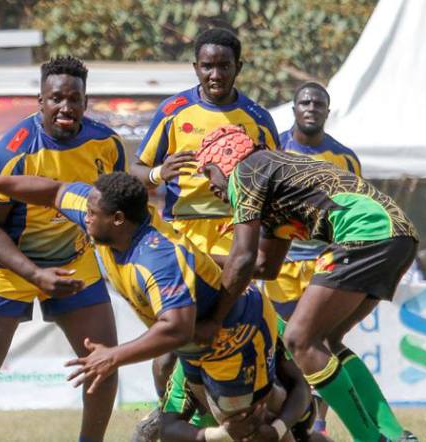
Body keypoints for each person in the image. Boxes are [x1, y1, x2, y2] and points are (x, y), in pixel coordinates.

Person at [0, 172, 293, 442]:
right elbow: (52, 191)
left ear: (119, 219)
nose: (84, 218)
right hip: (196, 341)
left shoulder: (156, 258)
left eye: (93, 214)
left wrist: (112, 356)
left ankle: (295, 417)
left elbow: (177, 328)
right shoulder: (106, 217)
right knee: (212, 427)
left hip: (234, 335)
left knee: (251, 429)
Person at [0, 56, 126, 442]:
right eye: (56, 98)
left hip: (72, 260)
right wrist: (34, 274)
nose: (66, 107)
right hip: (7, 262)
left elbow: (115, 209)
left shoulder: (107, 144)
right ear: (40, 101)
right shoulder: (11, 151)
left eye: (74, 99)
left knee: (103, 364)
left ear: (85, 101)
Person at [198, 125, 419, 442]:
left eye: (209, 173)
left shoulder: (245, 172)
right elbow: (265, 265)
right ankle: (396, 436)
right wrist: (204, 259)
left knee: (300, 338)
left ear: (223, 160)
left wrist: (214, 319)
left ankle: (372, 439)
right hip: (396, 235)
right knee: (326, 341)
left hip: (367, 232)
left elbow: (243, 259)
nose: (211, 186)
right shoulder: (273, 175)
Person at [130, 27, 279, 436]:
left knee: (235, 330)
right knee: (172, 337)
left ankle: (240, 417)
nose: (215, 74)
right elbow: (135, 172)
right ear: (196, 67)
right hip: (182, 236)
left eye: (224, 66)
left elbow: (274, 181)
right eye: (207, 66)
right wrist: (159, 172)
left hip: (237, 236)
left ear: (239, 68)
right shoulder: (173, 110)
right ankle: (168, 417)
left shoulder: (258, 119)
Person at [264, 81, 363, 435]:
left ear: (327, 111)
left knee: (318, 341)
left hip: (324, 261)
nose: (311, 108)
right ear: (294, 109)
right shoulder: (273, 149)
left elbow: (353, 212)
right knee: (280, 345)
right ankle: (287, 417)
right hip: (279, 263)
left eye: (318, 104)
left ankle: (320, 423)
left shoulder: (345, 158)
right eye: (305, 102)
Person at [160, 317, 331, 442]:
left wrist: (276, 429)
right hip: (215, 429)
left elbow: (300, 385)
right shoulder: (189, 365)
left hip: (281, 415)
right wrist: (222, 435)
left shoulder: (263, 321)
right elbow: (168, 428)